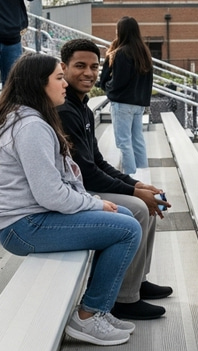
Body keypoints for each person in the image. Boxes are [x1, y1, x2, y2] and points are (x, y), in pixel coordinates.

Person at [0, 52, 141, 347]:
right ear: (39, 84)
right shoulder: (30, 127)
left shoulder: (30, 119)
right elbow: (50, 193)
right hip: (23, 226)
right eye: (58, 77)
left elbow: (59, 184)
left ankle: (98, 310)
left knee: (126, 219)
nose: (65, 83)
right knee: (127, 229)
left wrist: (90, 200)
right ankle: (88, 316)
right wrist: (95, 203)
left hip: (31, 218)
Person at [58, 39, 173, 319]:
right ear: (63, 67)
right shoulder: (63, 111)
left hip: (86, 186)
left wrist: (137, 185)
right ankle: (123, 298)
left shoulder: (83, 108)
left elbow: (97, 161)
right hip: (73, 193)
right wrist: (135, 194)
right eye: (80, 66)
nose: (88, 73)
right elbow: (86, 173)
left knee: (148, 200)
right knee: (138, 208)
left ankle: (137, 282)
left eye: (94, 67)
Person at [99, 17, 154, 176]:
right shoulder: (143, 52)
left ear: (121, 31)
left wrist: (107, 87)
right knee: (137, 139)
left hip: (122, 103)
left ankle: (130, 176)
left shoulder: (121, 53)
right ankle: (142, 173)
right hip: (138, 104)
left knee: (124, 142)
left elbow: (117, 82)